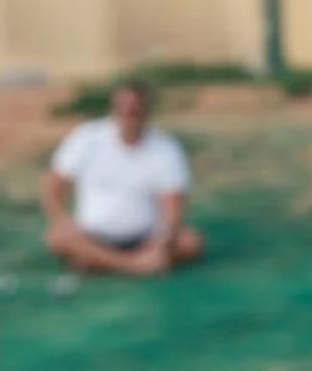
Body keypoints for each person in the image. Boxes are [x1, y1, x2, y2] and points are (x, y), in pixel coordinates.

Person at [42, 79, 204, 277]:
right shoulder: (86, 138)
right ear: (114, 109)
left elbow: (173, 207)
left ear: (146, 111)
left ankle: (100, 263)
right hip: (93, 235)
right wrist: (62, 219)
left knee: (190, 243)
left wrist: (160, 243)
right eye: (123, 108)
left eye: (135, 109)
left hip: (145, 237)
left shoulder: (165, 148)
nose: (129, 115)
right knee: (58, 238)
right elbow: (54, 186)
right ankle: (133, 265)